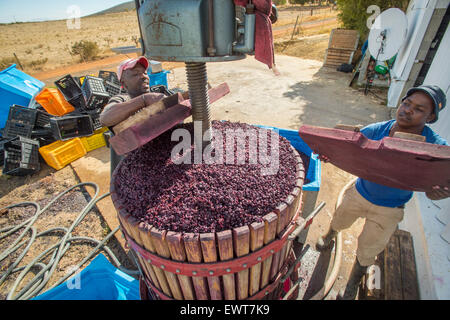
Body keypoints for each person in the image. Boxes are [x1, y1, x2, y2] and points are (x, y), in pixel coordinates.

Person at [316, 84, 449, 299]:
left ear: (431, 116)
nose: (407, 110)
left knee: (369, 249)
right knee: (340, 217)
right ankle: (330, 235)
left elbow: (439, 178)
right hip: (359, 192)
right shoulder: (378, 130)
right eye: (406, 103)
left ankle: (352, 283)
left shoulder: (435, 146)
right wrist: (331, 153)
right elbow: (347, 146)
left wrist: (439, 191)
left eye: (418, 109)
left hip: (389, 210)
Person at [100, 56, 165, 175]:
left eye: (145, 73)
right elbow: (105, 118)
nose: (144, 77)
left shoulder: (156, 97)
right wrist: (144, 100)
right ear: (123, 83)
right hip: (135, 170)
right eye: (135, 74)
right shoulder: (122, 100)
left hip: (160, 162)